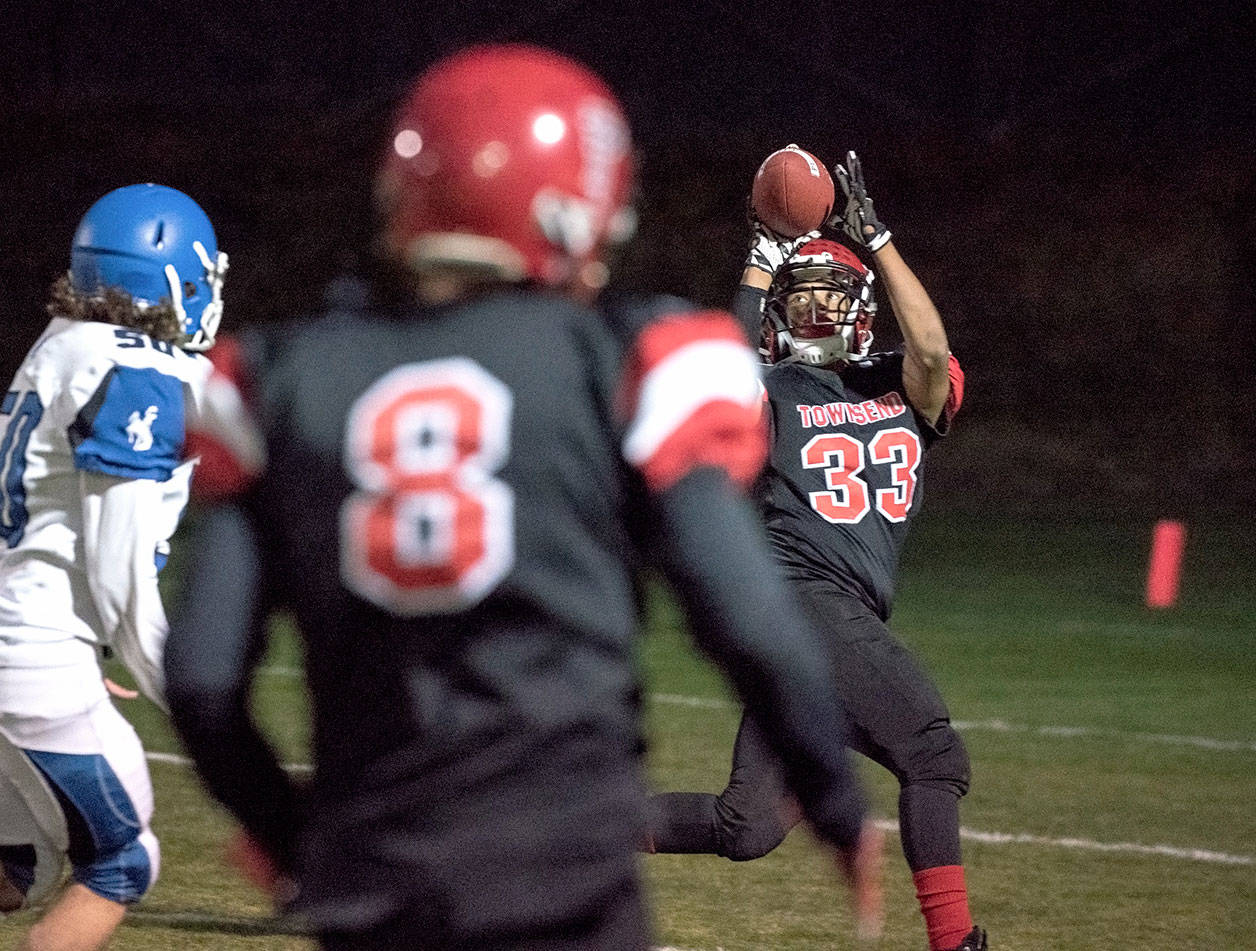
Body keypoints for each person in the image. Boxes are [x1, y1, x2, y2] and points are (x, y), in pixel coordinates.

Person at [162, 44, 882, 951]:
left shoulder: (279, 379)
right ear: (573, 212)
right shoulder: (619, 361)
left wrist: (289, 835)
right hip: (564, 873)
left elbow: (199, 677)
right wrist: (834, 798)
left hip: (374, 883)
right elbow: (750, 622)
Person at [646, 149, 987, 951]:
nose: (814, 309)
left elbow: (932, 350)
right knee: (934, 755)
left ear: (865, 309)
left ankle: (551, 833)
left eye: (832, 294)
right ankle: (956, 944)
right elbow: (716, 382)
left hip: (813, 622)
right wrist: (761, 267)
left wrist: (880, 241)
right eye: (800, 298)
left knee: (746, 825)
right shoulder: (767, 390)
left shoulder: (899, 384)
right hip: (804, 601)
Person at [0, 183, 228, 950]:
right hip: (31, 664)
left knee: (13, 860)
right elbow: (118, 574)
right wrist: (196, 698)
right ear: (175, 280)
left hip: (22, 649)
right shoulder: (139, 373)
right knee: (123, 859)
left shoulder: (58, 345)